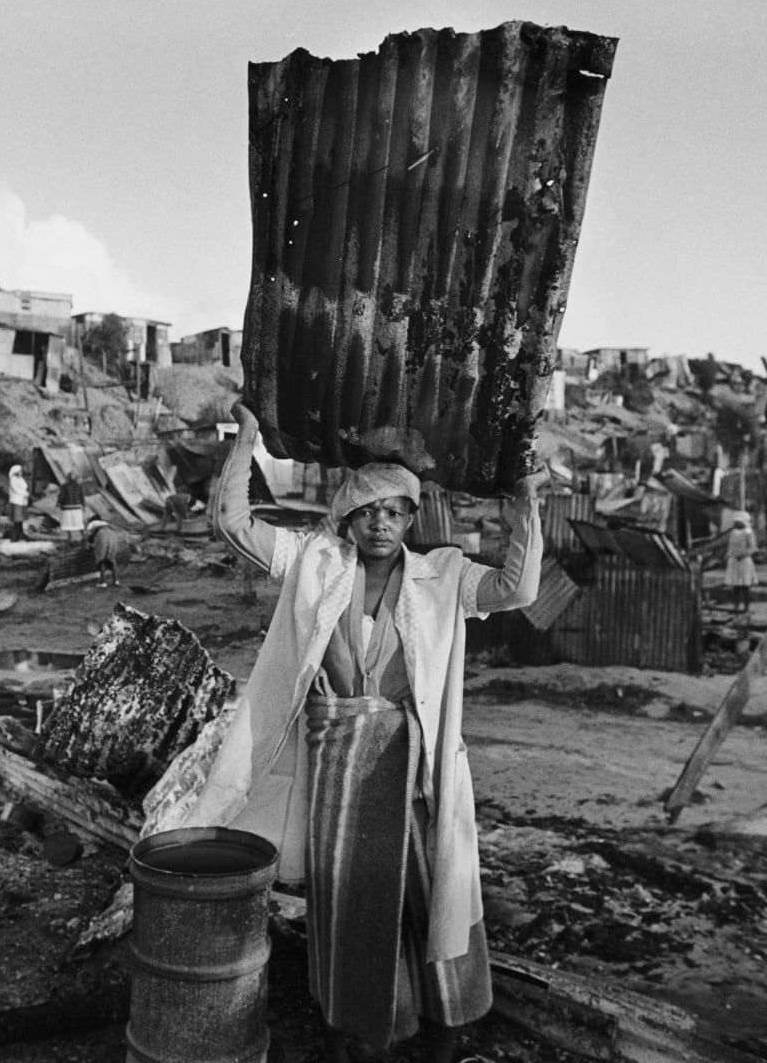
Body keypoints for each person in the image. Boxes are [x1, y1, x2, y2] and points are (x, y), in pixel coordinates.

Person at [187, 403, 543, 1063]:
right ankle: (358, 1026)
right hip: (335, 756)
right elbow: (231, 524)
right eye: (368, 511)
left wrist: (525, 505)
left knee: (427, 887)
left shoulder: (445, 574)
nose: (380, 523)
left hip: (413, 758)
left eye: (394, 512)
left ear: (411, 518)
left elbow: (518, 590)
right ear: (348, 517)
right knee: (347, 896)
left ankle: (449, 1022)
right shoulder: (314, 562)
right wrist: (244, 441)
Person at [723, 513, 758, 616]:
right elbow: (730, 547)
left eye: (739, 522)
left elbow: (752, 548)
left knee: (745, 585)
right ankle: (736, 607)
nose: (736, 524)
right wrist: (729, 555)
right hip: (734, 561)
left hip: (744, 561)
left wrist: (742, 555)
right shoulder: (733, 533)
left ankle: (746, 607)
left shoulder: (749, 533)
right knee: (735, 586)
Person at [87, 517, 121, 587]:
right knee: (112, 558)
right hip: (113, 537)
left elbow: (91, 538)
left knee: (101, 560)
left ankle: (103, 582)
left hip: (102, 538)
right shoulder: (106, 524)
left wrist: (89, 546)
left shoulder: (93, 525)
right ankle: (116, 581)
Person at [6, 464, 29, 541]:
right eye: (20, 471)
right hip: (16, 501)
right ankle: (16, 535)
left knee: (21, 519)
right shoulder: (13, 479)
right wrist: (24, 494)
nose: (21, 472)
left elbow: (24, 487)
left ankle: (21, 533)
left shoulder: (21, 479)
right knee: (17, 519)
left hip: (22, 501)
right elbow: (16, 490)